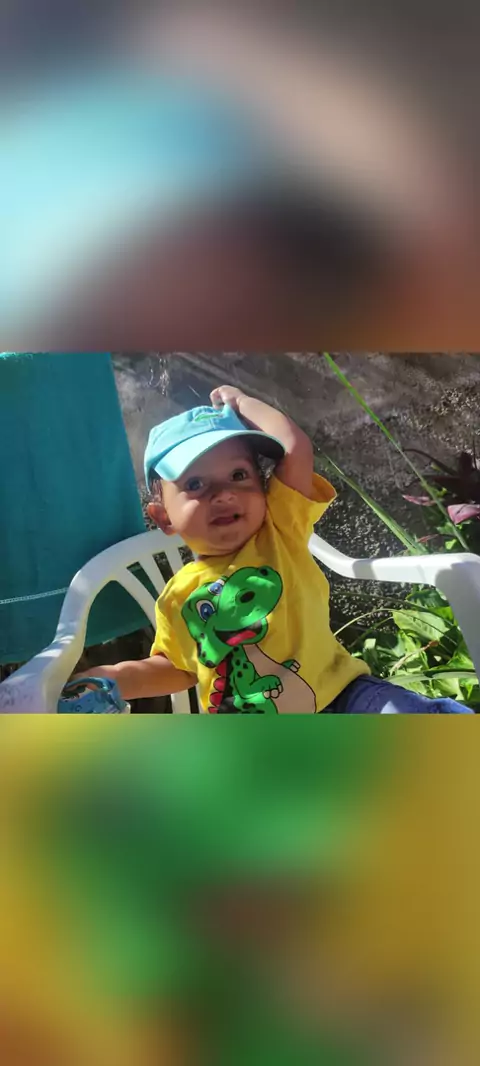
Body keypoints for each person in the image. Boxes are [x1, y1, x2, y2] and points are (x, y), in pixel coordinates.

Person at [78, 386, 473, 712]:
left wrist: (242, 403)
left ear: (264, 489)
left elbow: (294, 448)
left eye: (239, 475)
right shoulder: (176, 598)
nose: (224, 493)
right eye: (195, 484)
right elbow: (178, 668)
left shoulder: (281, 529)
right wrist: (113, 678)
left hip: (344, 698)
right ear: (163, 516)